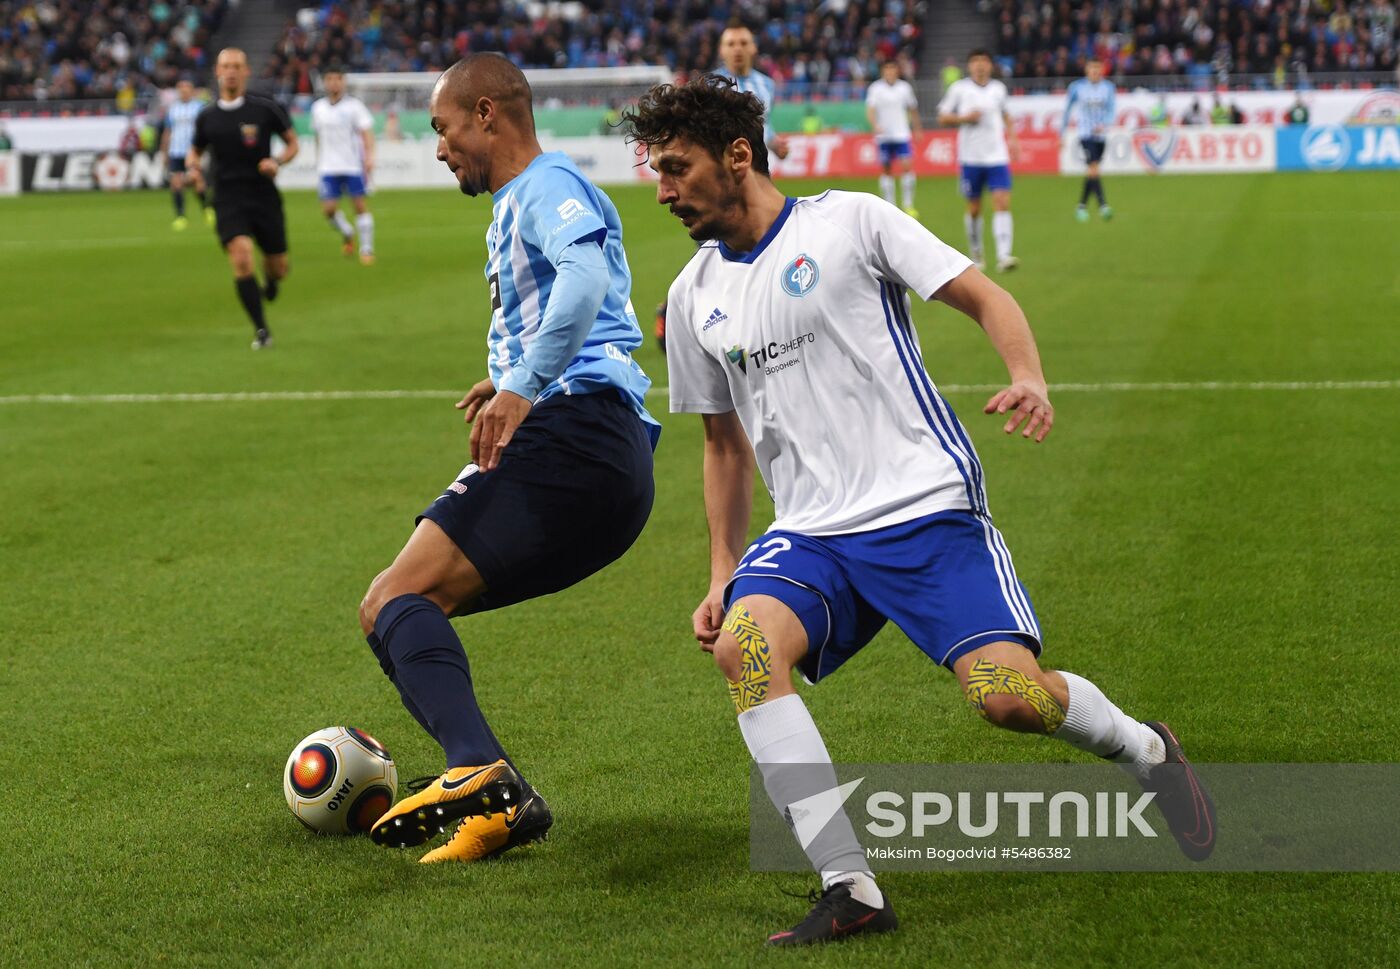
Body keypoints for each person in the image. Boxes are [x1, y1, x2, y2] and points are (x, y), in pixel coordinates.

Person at [624, 74, 1215, 947]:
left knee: (1012, 700)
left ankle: (1146, 750)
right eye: (657, 171)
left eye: (677, 168)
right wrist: (722, 571)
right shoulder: (691, 293)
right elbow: (721, 445)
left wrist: (1027, 376)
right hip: (812, 534)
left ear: (738, 156)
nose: (664, 189)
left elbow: (985, 295)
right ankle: (849, 884)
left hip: (924, 508)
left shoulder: (852, 221)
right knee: (746, 649)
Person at [359, 53, 659, 865]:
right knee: (398, 605)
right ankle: (498, 798)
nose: (439, 147)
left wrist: (524, 385)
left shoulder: (546, 185)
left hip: (575, 436)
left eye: (444, 127)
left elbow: (587, 274)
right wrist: (514, 367)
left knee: (396, 597)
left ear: (486, 113)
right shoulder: (520, 201)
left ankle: (480, 771)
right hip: (605, 458)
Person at [187, 48, 299, 350]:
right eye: (226, 66)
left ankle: (272, 281)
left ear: (246, 70)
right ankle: (261, 329)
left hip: (263, 195)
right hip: (227, 197)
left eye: (237, 65)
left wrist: (277, 162)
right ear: (217, 71)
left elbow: (292, 143)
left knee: (278, 267)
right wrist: (193, 167)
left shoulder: (265, 109)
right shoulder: (206, 116)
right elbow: (194, 151)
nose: (231, 71)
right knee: (242, 256)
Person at [937, 49, 1019, 271]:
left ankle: (1004, 255)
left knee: (1002, 202)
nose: (980, 65)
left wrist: (1013, 140)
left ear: (991, 66)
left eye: (984, 61)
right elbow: (942, 117)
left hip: (997, 157)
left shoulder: (998, 89)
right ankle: (977, 253)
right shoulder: (960, 89)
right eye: (975, 62)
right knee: (974, 208)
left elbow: (1006, 115)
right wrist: (964, 118)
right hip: (970, 158)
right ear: (969, 66)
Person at [310, 66, 376, 265]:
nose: (333, 83)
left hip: (352, 165)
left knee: (359, 206)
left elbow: (366, 133)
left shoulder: (354, 106)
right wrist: (318, 159)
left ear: (343, 82)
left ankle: (366, 249)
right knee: (328, 210)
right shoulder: (318, 108)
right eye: (329, 79)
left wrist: (369, 157)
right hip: (328, 167)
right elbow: (318, 137)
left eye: (337, 79)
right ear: (325, 82)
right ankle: (347, 232)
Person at [715, 21, 791, 163]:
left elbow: (764, 123)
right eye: (731, 44)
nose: (737, 49)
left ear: (753, 47)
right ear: (721, 50)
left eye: (743, 43)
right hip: (722, 167)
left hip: (756, 168)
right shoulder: (710, 85)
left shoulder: (767, 85)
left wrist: (774, 144)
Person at [1060, 57, 1116, 222]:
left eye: (1098, 69)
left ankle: (1081, 206)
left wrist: (1104, 124)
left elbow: (1112, 110)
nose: (1095, 72)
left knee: (1093, 171)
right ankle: (1103, 205)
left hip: (1101, 136)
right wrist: (1061, 134)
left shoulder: (1108, 87)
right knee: (1093, 168)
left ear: (1102, 70)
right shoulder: (1077, 87)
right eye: (1092, 68)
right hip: (1085, 134)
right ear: (1087, 70)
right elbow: (1067, 110)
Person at [865, 58, 921, 217]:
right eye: (887, 69)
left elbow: (912, 109)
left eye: (893, 69)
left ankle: (908, 204)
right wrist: (874, 124)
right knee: (886, 170)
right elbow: (870, 109)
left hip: (902, 134)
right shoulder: (876, 88)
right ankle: (890, 206)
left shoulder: (905, 88)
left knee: (907, 167)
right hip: (884, 136)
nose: (890, 72)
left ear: (897, 71)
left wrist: (917, 128)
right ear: (883, 72)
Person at [161, 78, 211, 231]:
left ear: (192, 91)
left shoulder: (199, 107)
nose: (184, 92)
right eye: (181, 90)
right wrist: (164, 151)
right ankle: (181, 217)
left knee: (197, 181)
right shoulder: (173, 109)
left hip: (193, 151)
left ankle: (207, 209)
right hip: (176, 151)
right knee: (176, 183)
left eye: (186, 89)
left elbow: (206, 128)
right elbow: (168, 132)